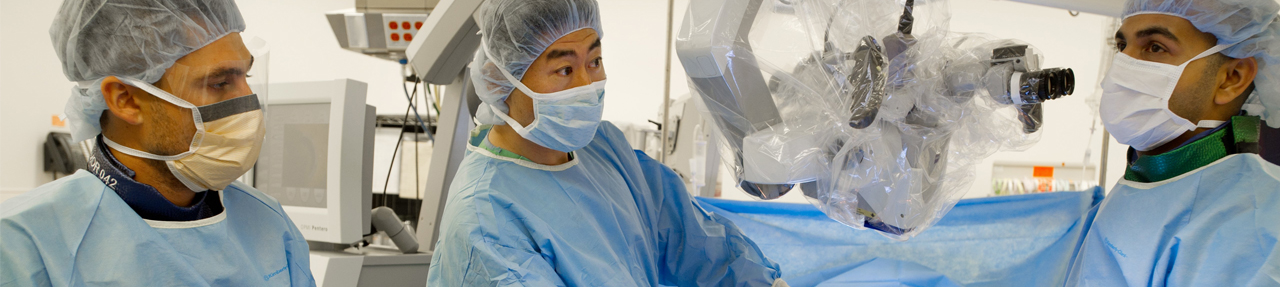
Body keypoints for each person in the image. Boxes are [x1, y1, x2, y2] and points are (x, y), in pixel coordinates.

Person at [425, 0, 787, 286]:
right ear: (502, 79)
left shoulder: (602, 149)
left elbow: (689, 237)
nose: (587, 85)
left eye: (595, 61)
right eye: (565, 70)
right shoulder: (485, 220)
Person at [0, 0, 314, 286]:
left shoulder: (268, 223)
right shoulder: (23, 241)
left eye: (246, 76)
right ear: (126, 100)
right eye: (220, 83)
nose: (248, 103)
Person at [1068, 0, 1280, 285]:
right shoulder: (1153, 178)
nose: (1123, 64)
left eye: (1155, 47)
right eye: (1122, 47)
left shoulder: (1253, 225)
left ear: (1232, 78)